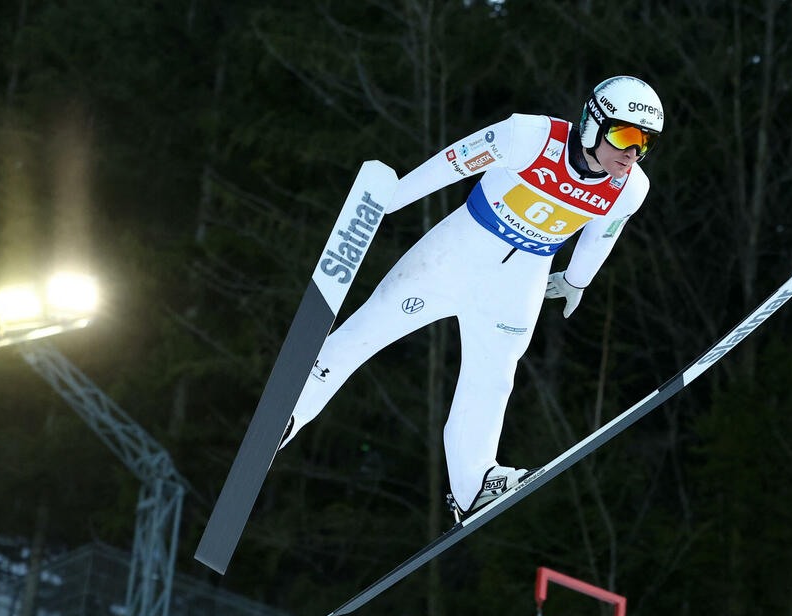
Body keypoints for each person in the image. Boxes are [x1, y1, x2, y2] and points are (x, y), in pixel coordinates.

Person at [280, 76, 664, 516]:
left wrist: (576, 281)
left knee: (493, 378)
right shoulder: (529, 136)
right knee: (372, 327)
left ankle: (475, 483)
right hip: (455, 255)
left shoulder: (631, 188)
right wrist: (386, 203)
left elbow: (601, 236)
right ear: (594, 123)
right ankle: (291, 410)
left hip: (521, 282)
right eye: (625, 135)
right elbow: (451, 164)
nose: (633, 153)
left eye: (645, 143)